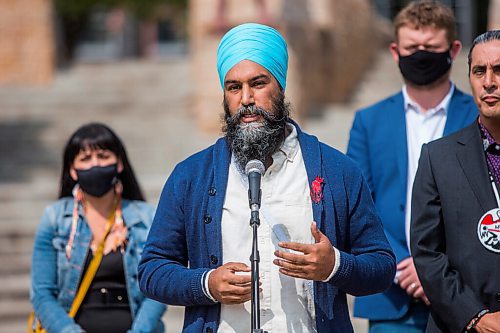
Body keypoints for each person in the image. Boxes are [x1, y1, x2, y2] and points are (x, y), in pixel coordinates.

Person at [138, 22, 395, 333]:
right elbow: (152, 270)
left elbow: (381, 265)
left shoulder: (337, 170)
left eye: (258, 83)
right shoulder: (191, 176)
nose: (246, 98)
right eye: (234, 87)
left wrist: (334, 266)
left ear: (281, 86)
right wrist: (208, 283)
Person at [347, 1, 478, 332]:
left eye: (431, 48)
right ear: (395, 51)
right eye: (412, 47)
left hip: (467, 296)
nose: (421, 54)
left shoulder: (479, 117)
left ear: (453, 49)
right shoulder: (368, 122)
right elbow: (358, 205)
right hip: (391, 295)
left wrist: (433, 271)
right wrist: (404, 264)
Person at [30, 123, 166, 333]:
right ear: (72, 170)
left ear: (119, 163)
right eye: (85, 159)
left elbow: (158, 286)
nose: (95, 164)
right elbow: (41, 293)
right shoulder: (55, 218)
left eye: (103, 156)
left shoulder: (146, 217)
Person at [411, 30, 500, 333]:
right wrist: (474, 316)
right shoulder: (439, 157)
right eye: (480, 71)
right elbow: (426, 251)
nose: (489, 81)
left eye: (499, 70)